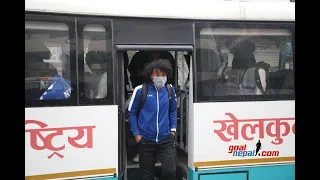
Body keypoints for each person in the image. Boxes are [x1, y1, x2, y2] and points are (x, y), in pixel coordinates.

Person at [128, 59, 177, 180]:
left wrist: (173, 130)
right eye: (157, 75)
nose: (160, 78)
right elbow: (131, 113)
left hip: (166, 139)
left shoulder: (170, 90)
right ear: (151, 75)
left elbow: (173, 111)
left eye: (163, 75)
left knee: (170, 172)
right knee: (146, 175)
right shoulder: (140, 90)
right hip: (146, 140)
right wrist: (137, 135)